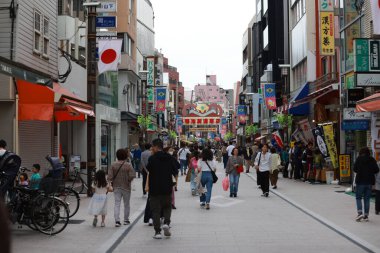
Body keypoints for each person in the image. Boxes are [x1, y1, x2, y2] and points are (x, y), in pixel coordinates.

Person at [147, 139, 179, 239]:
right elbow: (177, 167)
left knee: (155, 210)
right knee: (167, 207)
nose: (152, 148)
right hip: (167, 187)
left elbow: (148, 169)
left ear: (156, 147)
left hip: (154, 188)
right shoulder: (169, 157)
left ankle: (157, 232)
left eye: (153, 146)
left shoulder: (152, 158)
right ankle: (166, 222)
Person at [108, 149, 136, 227]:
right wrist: (128, 180)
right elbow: (133, 175)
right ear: (125, 156)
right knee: (126, 204)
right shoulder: (128, 165)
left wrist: (113, 180)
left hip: (116, 187)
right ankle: (126, 220)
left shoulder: (113, 164)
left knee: (117, 203)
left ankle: (117, 221)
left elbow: (109, 177)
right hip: (126, 187)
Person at [353, 147, 379, 222]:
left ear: (361, 152)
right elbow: (377, 170)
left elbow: (354, 169)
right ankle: (366, 216)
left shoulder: (359, 159)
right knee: (367, 199)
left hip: (360, 181)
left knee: (358, 197)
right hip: (369, 182)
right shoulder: (372, 159)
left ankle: (360, 213)